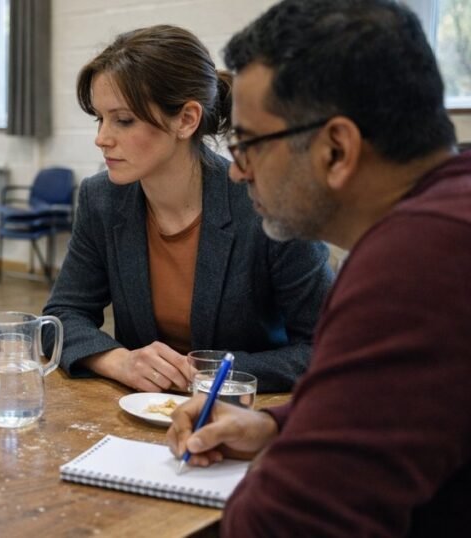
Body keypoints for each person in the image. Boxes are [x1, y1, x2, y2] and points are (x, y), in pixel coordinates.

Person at [167, 0, 471, 533]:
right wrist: (276, 426)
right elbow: (402, 408)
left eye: (248, 146)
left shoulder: (419, 258)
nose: (237, 173)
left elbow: (294, 520)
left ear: (336, 149)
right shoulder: (449, 211)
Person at [42, 25, 333, 393]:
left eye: (124, 120)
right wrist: (120, 361)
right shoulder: (101, 198)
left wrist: (204, 373)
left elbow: (327, 346)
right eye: (100, 119)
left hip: (244, 413)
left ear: (186, 120)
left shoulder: (269, 204)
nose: (101, 138)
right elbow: (61, 317)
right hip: (137, 410)